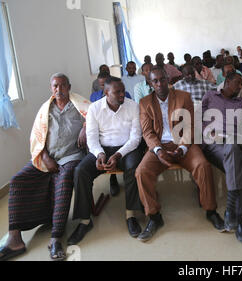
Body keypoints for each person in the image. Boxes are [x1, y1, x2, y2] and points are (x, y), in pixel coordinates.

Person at [0, 73, 89, 261]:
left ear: (69, 86)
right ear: (51, 88)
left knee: (64, 180)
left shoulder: (79, 106)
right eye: (55, 86)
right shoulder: (45, 109)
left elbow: (95, 117)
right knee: (17, 180)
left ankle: (56, 238)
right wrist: (46, 157)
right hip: (47, 157)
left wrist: (85, 127)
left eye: (63, 85)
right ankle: (15, 238)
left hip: (71, 156)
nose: (59, 89)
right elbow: (36, 137)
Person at [135, 67, 225, 242]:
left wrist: (182, 148)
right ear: (150, 83)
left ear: (169, 79)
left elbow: (189, 126)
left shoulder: (183, 97)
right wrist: (159, 150)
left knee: (202, 165)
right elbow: (147, 133)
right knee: (141, 172)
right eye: (155, 81)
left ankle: (211, 211)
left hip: (183, 143)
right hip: (159, 146)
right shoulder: (145, 103)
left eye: (162, 79)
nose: (160, 84)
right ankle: (154, 217)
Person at [68, 77, 143, 245]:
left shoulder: (132, 106)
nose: (122, 94)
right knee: (81, 171)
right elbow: (92, 138)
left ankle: (131, 215)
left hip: (127, 148)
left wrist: (118, 155)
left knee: (133, 167)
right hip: (103, 149)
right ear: (106, 93)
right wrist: (100, 154)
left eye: (123, 90)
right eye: (118, 92)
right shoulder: (94, 108)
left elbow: (136, 138)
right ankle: (85, 221)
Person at [201, 72, 242, 244]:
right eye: (237, 83)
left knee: (233, 148)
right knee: (239, 164)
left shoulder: (241, 103)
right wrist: (207, 133)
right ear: (227, 81)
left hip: (233, 142)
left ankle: (232, 210)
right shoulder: (210, 96)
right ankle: (239, 217)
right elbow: (199, 120)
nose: (240, 87)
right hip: (213, 144)